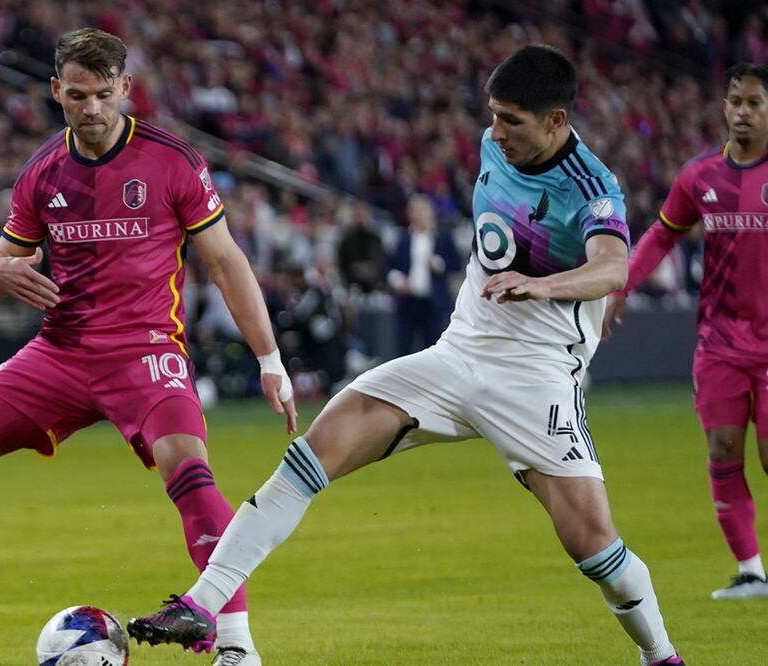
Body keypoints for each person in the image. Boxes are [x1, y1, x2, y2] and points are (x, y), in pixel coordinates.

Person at [129, 45, 684, 666]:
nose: (495, 133)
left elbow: (612, 266)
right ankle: (203, 605)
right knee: (314, 450)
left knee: (594, 548)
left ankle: (660, 655)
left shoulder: (592, 185)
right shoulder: (492, 146)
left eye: (512, 121)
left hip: (537, 379)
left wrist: (545, 284)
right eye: (493, 116)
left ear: (556, 121)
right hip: (455, 356)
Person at [0, 28, 294, 666]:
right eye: (76, 95)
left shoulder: (172, 161)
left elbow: (226, 261)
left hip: (145, 349)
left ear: (125, 90)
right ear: (56, 90)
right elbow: (2, 261)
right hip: (62, 350)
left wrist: (270, 361)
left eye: (104, 95)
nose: (91, 109)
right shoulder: (42, 172)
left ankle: (238, 647)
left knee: (190, 474)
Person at [604, 62, 768, 601]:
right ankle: (751, 573)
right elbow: (660, 235)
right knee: (723, 450)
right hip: (720, 343)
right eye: (735, 101)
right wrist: (621, 285)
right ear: (724, 107)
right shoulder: (700, 175)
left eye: (755, 103)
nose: (743, 112)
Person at [386, 194, 462, 356]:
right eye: (415, 210)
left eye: (423, 210)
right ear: (409, 214)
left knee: (433, 347)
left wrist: (437, 263)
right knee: (403, 347)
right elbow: (389, 266)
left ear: (431, 212)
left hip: (434, 302)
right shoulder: (403, 238)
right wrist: (398, 280)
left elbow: (456, 264)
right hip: (408, 302)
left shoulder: (443, 237)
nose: (419, 214)